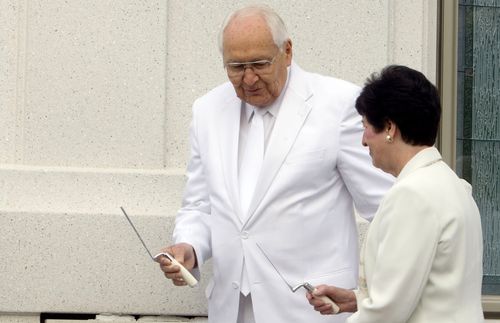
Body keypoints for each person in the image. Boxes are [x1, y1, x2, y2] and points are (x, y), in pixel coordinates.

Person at [158, 4, 393, 323]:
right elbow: (200, 205)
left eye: (259, 63)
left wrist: (384, 295)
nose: (249, 78)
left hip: (312, 310)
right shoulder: (207, 111)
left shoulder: (339, 105)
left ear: (287, 51)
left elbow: (386, 207)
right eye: (236, 67)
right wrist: (189, 247)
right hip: (230, 310)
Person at [307, 65, 485, 322]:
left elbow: (388, 311)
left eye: (365, 126)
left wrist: (368, 308)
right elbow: (432, 289)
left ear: (389, 128)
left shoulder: (413, 195)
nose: (363, 141)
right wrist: (355, 300)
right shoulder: (452, 185)